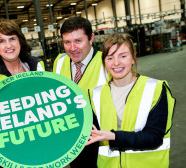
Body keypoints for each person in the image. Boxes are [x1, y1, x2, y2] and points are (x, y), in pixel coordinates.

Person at [87, 33, 175, 168]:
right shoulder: (95, 95)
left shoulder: (155, 89)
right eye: (110, 58)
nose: (116, 63)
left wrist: (114, 136)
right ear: (104, 62)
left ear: (133, 58)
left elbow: (154, 137)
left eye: (123, 56)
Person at [0, 19, 45, 168]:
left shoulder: (36, 67)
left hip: (43, 146)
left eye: (12, 39)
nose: (8, 45)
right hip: (11, 154)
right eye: (1, 41)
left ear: (20, 41)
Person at [53, 16, 108, 168]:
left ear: (91, 39)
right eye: (67, 42)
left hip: (101, 141)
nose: (72, 48)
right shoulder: (60, 61)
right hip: (73, 140)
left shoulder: (107, 63)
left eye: (78, 41)